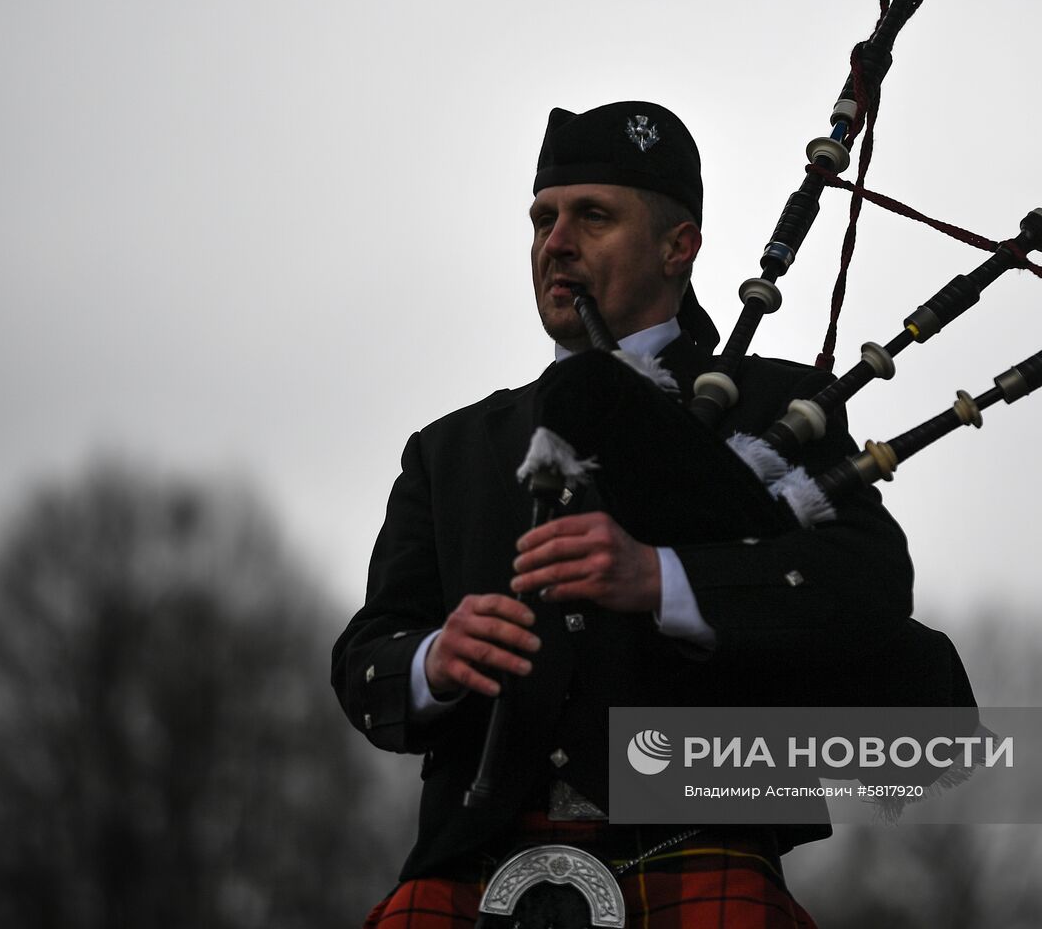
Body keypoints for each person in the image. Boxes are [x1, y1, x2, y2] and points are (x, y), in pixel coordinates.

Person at [332, 100, 944, 928]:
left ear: (676, 246)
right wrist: (435, 659)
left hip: (697, 846)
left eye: (592, 216)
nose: (556, 242)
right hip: (475, 865)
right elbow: (367, 652)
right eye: (543, 218)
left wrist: (662, 579)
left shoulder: (778, 404)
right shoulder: (451, 449)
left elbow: (870, 585)